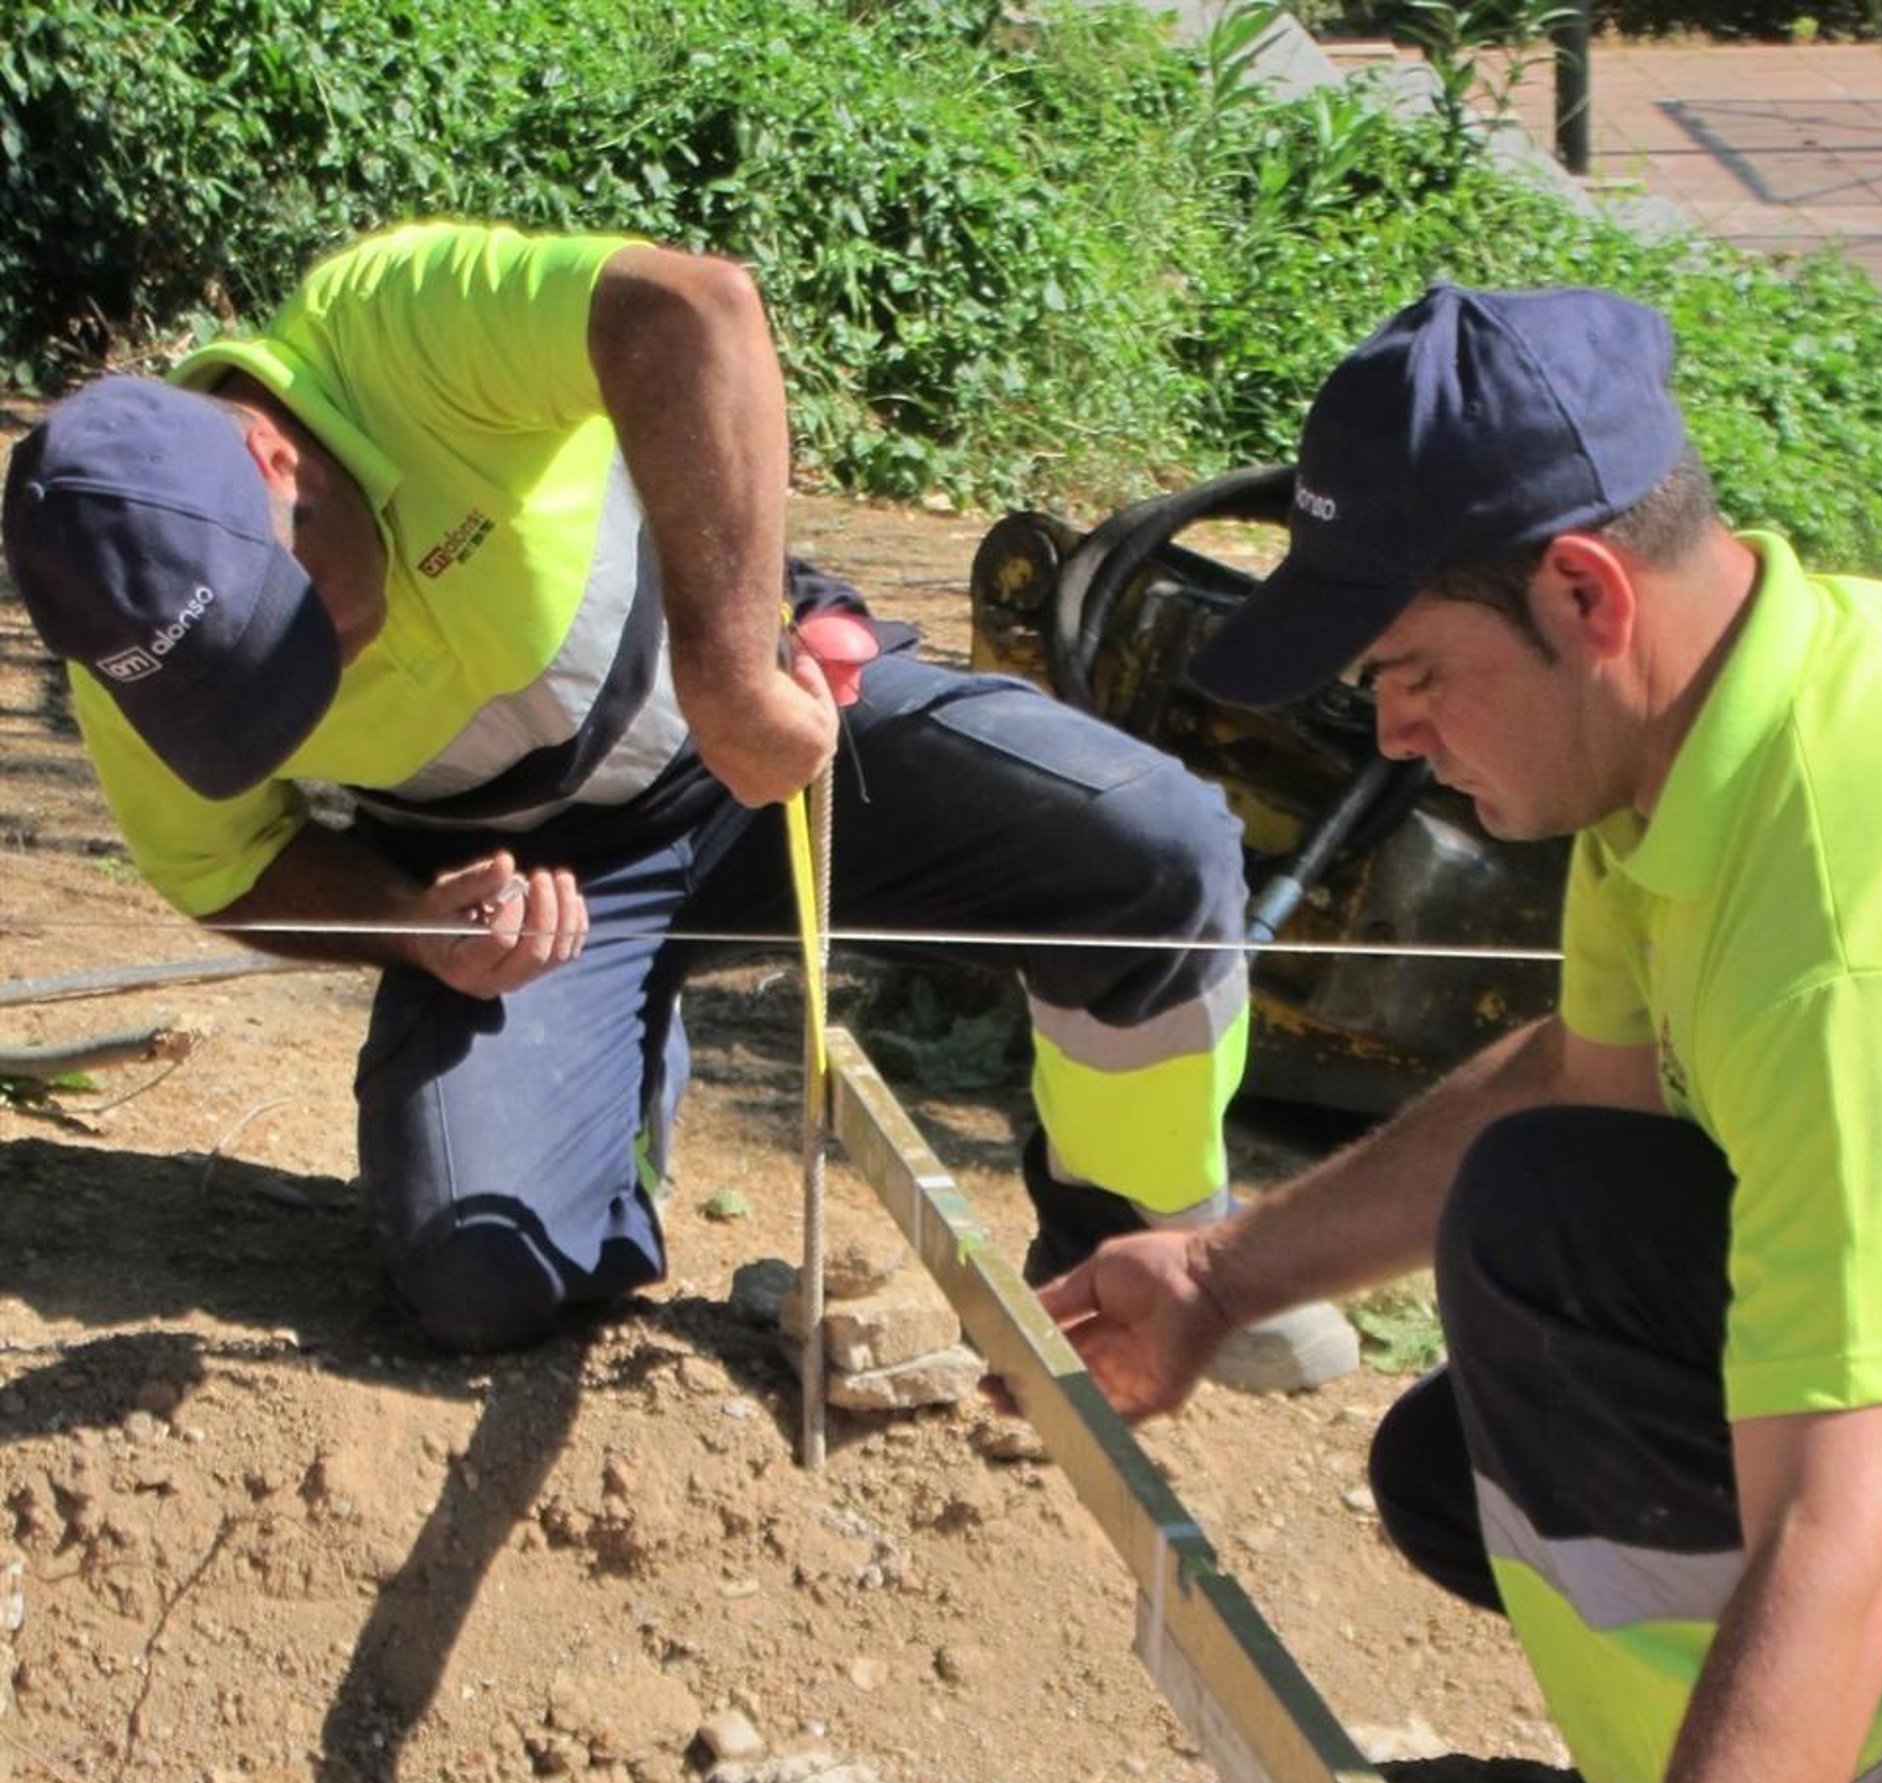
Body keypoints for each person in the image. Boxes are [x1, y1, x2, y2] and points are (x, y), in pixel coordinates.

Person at [1037, 282, 1882, 1783]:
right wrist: (1226, 1274)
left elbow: (1850, 1518)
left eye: (1417, 668)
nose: (1392, 729)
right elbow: (1581, 1076)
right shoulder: (1702, 738)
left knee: (1556, 1253)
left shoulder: (1849, 916)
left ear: (1587, 595)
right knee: (1465, 1458)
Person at [0, 218, 1250, 1351]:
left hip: (772, 743)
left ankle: (1142, 1259)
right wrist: (415, 928)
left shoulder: (392, 328)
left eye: (296, 622)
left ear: (276, 457)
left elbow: (690, 312)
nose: (316, 675)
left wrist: (733, 677)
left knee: (1150, 849)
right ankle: (614, 1108)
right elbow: (226, 866)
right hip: (544, 893)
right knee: (476, 1275)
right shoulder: (135, 642)